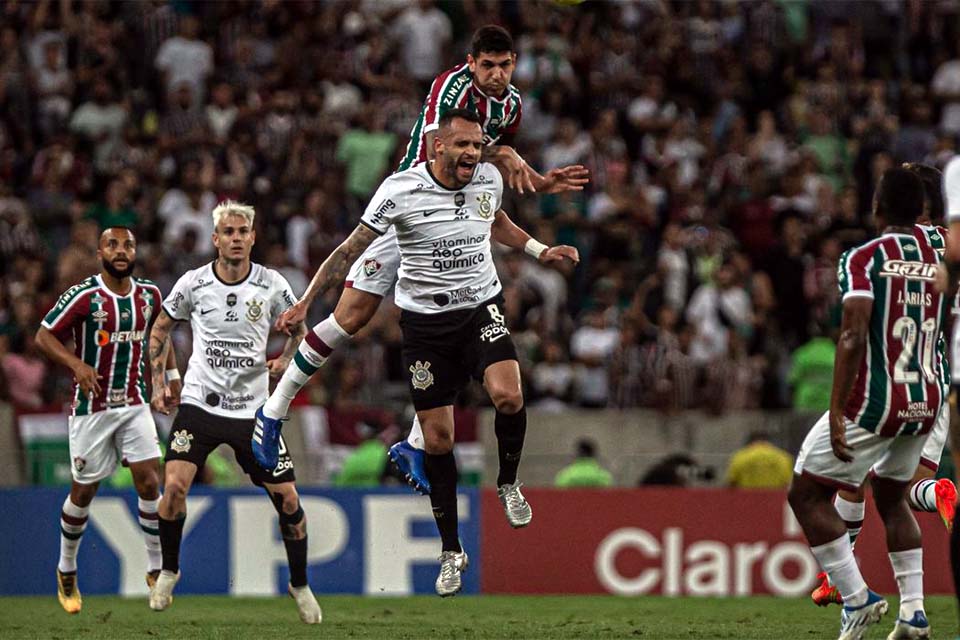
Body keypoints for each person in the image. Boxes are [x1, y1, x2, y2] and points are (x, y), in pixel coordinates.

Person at [253, 25, 589, 497]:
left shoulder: (511, 104)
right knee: (351, 317)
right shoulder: (451, 86)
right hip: (413, 209)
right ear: (471, 63)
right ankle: (272, 413)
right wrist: (505, 152)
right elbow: (444, 144)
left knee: (454, 315)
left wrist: (536, 180)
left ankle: (413, 443)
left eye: (505, 65)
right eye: (487, 65)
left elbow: (487, 171)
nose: (496, 75)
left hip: (456, 217)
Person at [261, 110, 578, 596]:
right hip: (426, 327)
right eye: (464, 146)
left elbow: (497, 221)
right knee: (438, 440)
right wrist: (306, 300)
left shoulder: (488, 177)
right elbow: (349, 249)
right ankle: (452, 550)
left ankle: (509, 484)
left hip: (479, 309)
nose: (474, 153)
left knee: (509, 395)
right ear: (437, 148)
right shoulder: (399, 190)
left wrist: (540, 251)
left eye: (478, 145)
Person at [789, 168, 953, 640]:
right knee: (893, 497)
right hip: (928, 394)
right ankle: (913, 615)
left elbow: (854, 331)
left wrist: (838, 409)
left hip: (877, 398)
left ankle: (856, 596)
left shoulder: (863, 257)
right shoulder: (943, 259)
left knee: (806, 492)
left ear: (878, 207)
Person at [146, 201, 321, 624]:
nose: (237, 238)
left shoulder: (272, 284)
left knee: (290, 501)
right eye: (229, 232)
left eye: (243, 231)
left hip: (254, 413)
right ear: (216, 239)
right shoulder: (193, 283)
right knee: (173, 490)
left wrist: (286, 360)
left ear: (253, 237)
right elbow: (160, 328)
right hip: (200, 404)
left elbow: (300, 327)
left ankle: (299, 583)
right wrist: (159, 382)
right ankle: (169, 570)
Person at [35, 227, 173, 614]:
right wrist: (75, 363)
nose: (121, 251)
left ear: (135, 251)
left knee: (149, 479)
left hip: (134, 403)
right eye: (112, 244)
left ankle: (153, 568)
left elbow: (160, 337)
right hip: (91, 409)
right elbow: (43, 336)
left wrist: (168, 380)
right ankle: (66, 569)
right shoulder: (85, 296)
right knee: (83, 493)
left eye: (128, 244)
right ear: (100, 253)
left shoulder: (150, 295)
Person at [725, 432, 793, 489]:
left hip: (746, 500)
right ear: (768, 441)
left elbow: (732, 483)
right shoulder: (783, 457)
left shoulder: (740, 457)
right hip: (775, 501)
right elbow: (788, 484)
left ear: (750, 442)